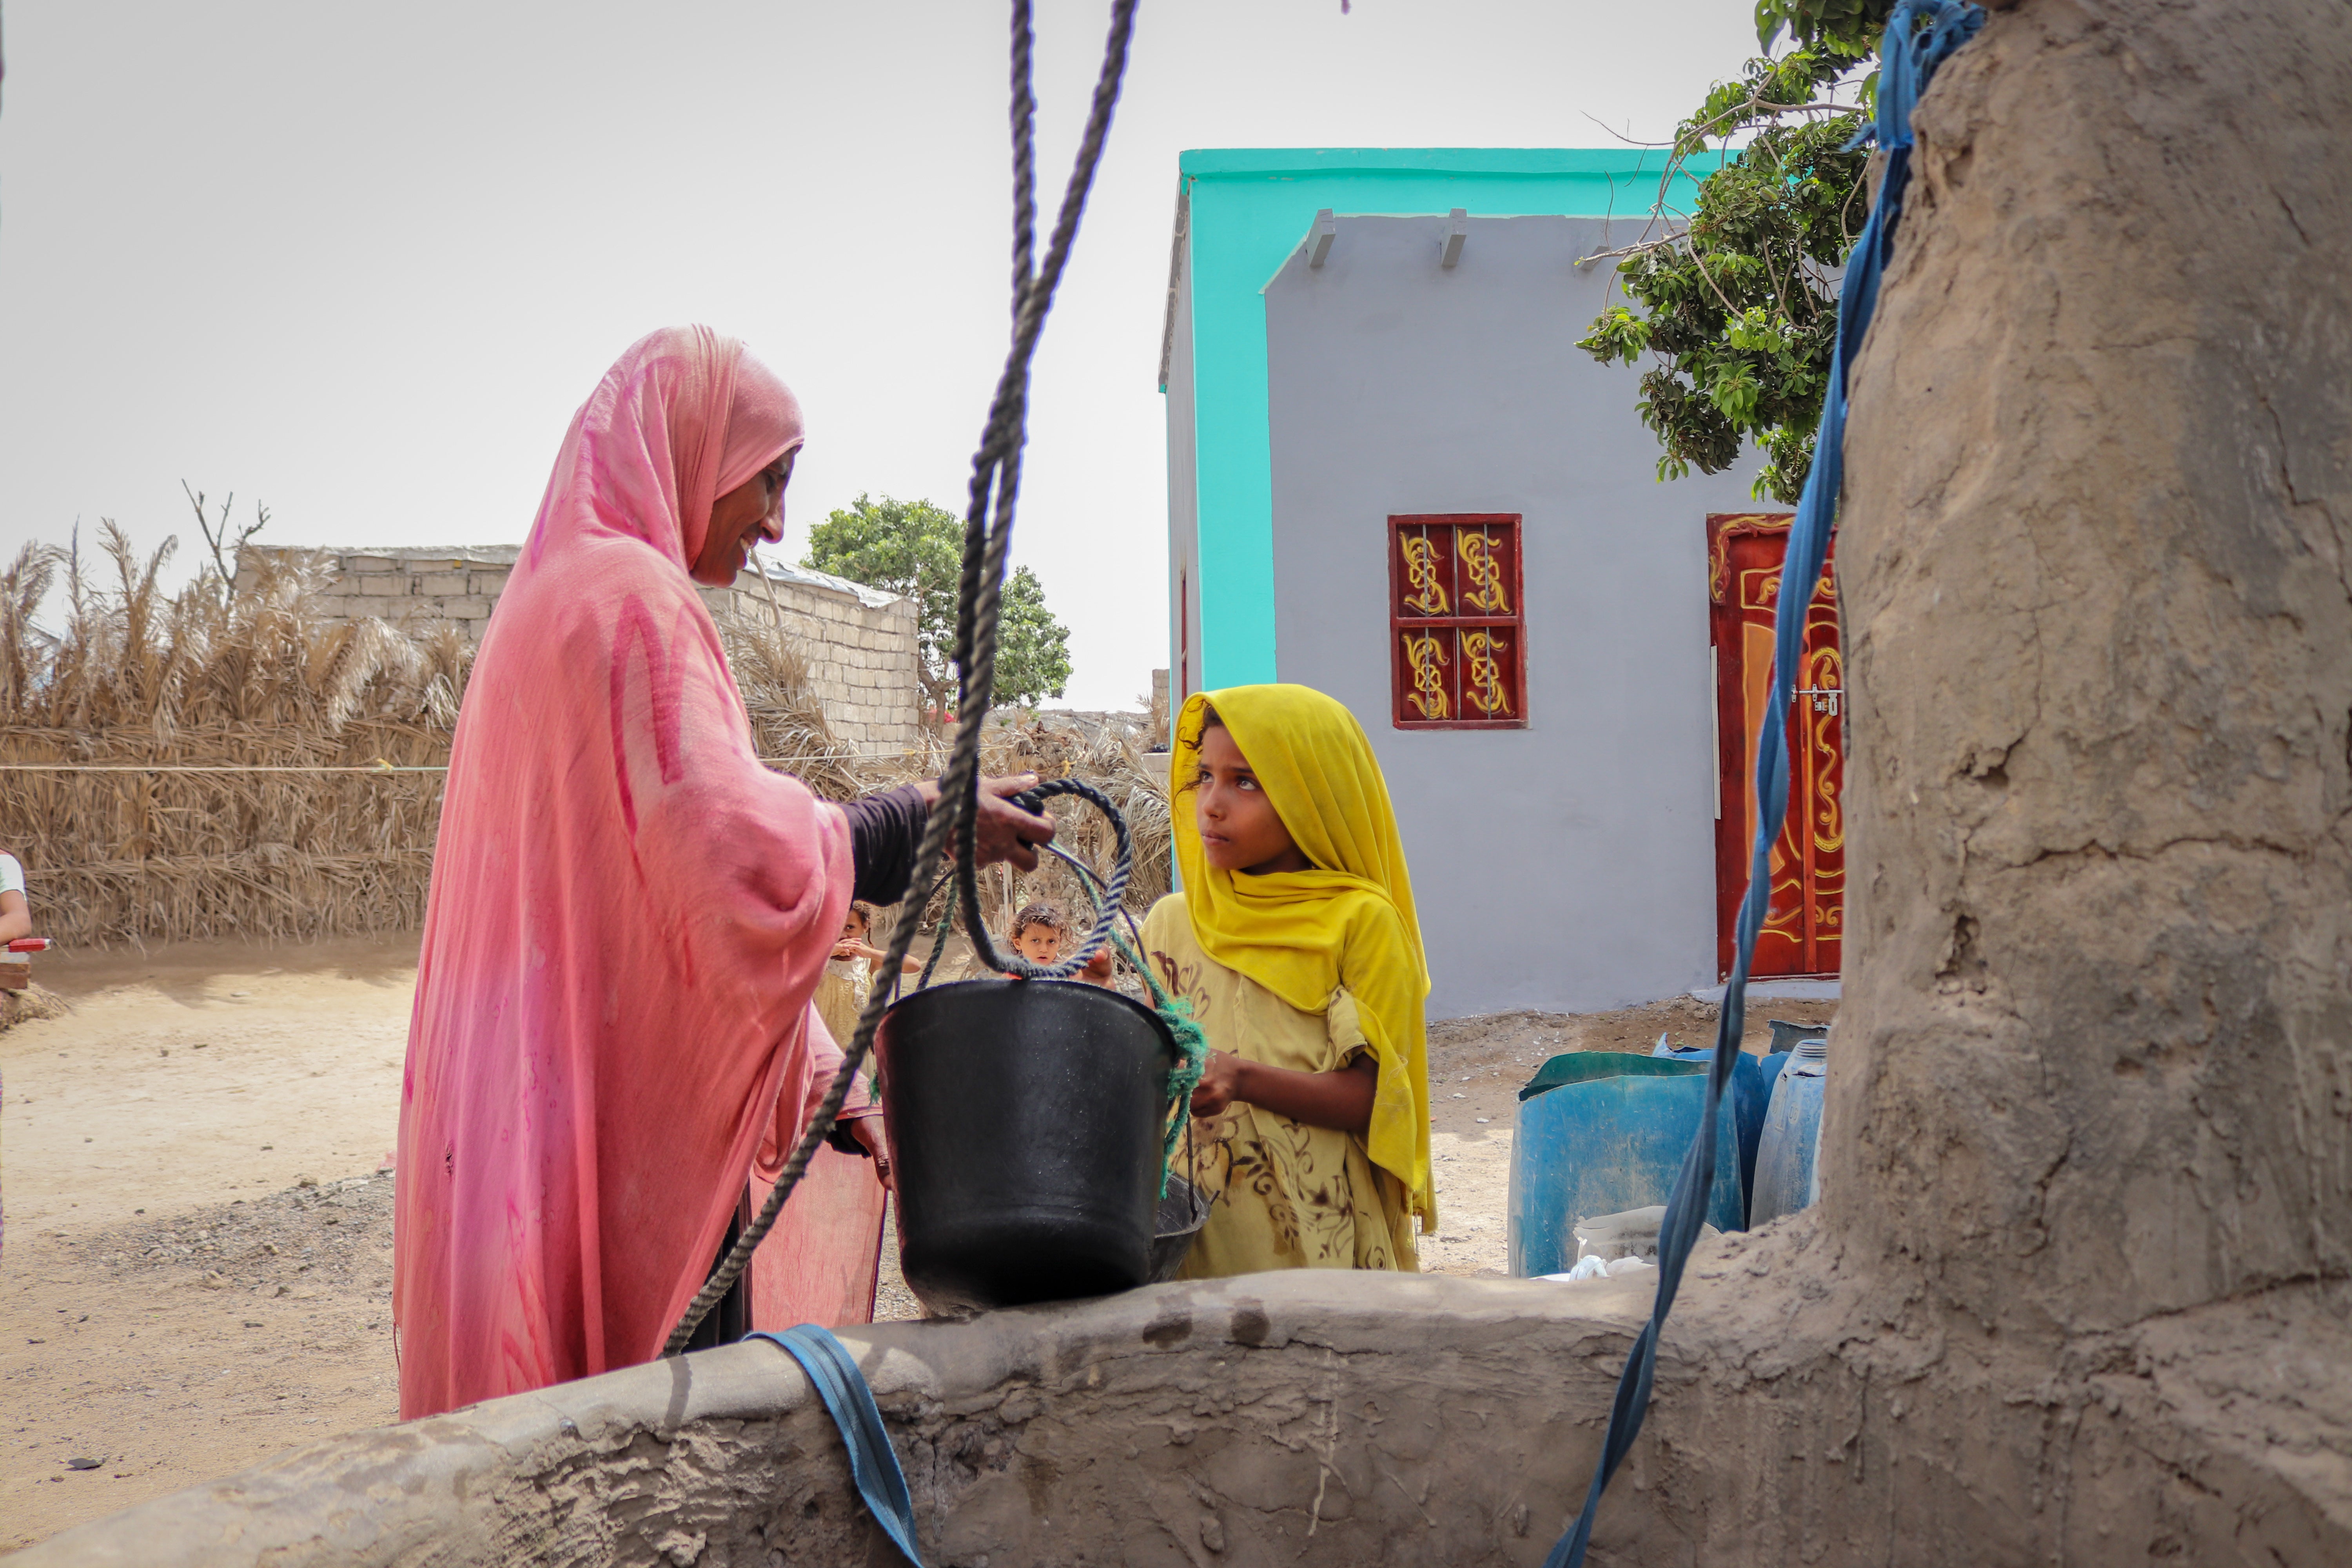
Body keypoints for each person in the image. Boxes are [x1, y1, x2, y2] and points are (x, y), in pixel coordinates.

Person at [393, 326, 1054, 1420]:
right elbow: (730, 866)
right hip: (607, 1150)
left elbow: (649, 921)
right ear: (691, 449)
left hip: (522, 1127)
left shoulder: (540, 606)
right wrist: (924, 821)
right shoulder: (632, 600)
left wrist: (816, 1080)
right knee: (648, 1453)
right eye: (770, 479)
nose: (778, 523)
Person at [1140, 685, 1433, 1275]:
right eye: (1204, 777)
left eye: (1245, 781)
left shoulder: (1362, 924)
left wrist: (1242, 1077)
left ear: (1313, 797)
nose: (1212, 805)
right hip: (1195, 1231)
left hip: (1317, 1237)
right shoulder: (1173, 922)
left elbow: (1378, 1102)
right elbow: (1155, 1070)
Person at [814, 901, 920, 1052]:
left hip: (864, 1049)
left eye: (850, 928)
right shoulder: (818, 963)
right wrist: (828, 952)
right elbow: (792, 970)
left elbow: (914, 965)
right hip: (828, 1049)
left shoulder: (868, 962)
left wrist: (870, 953)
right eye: (835, 927)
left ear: (865, 927)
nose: (842, 935)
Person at [1007, 899, 1116, 986]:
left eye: (1051, 941)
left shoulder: (1065, 981)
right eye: (1035, 941)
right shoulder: (1010, 980)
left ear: (1060, 942)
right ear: (1018, 943)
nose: (1044, 949)